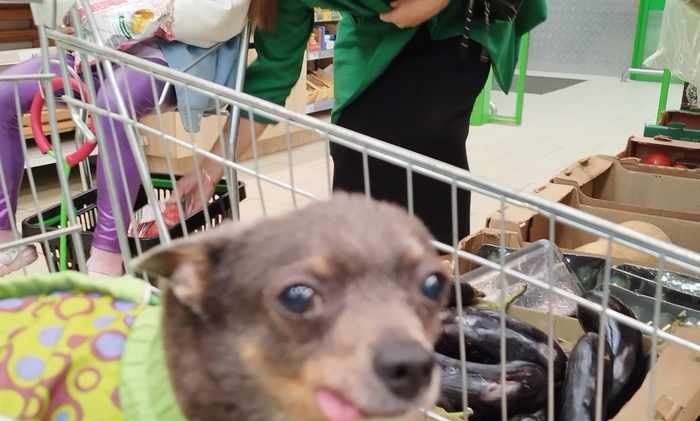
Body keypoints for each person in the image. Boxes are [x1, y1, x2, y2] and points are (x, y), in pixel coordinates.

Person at [179, 0, 547, 245]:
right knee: (356, 149)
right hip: (376, 33)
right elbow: (273, 74)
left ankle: (439, 286)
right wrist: (210, 169)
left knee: (426, 140)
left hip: (458, 20)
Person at [0, 29, 243, 278]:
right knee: (3, 92)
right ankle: (5, 237)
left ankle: (107, 258)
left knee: (113, 104)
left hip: (177, 55)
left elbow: (217, 17)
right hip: (97, 53)